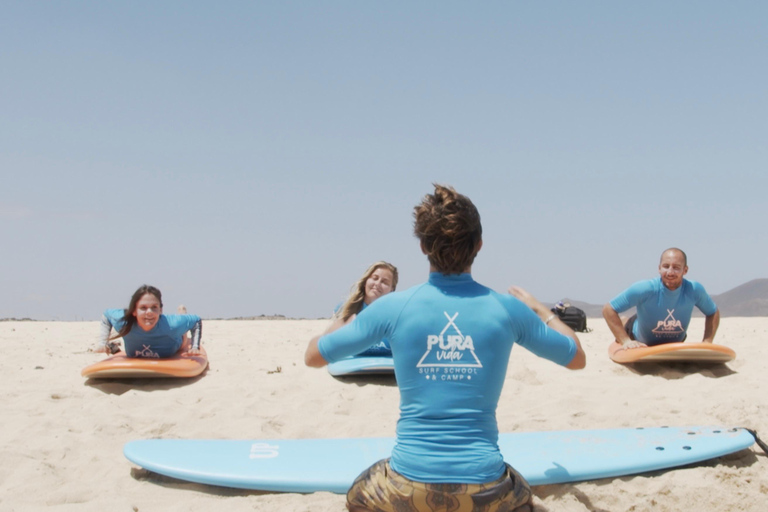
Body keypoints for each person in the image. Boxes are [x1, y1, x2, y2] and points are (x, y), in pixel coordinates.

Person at [305, 184, 586, 512]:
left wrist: (343, 320)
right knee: (521, 490)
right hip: (485, 489)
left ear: (423, 246)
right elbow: (576, 357)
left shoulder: (393, 306)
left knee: (359, 493)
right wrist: (540, 309)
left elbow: (313, 356)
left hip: (407, 487)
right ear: (479, 244)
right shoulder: (508, 309)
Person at [602, 248, 720, 349]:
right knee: (628, 323)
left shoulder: (694, 289)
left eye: (676, 267)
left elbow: (713, 312)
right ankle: (625, 320)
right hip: (637, 335)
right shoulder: (645, 288)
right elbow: (608, 309)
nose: (670, 272)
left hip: (677, 340)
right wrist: (625, 341)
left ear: (685, 270)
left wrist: (707, 342)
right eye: (666, 266)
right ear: (659, 268)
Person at [92, 285, 203, 358]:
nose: (149, 312)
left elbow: (196, 320)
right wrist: (102, 343)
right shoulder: (123, 321)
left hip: (177, 341)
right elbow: (106, 315)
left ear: (161, 310)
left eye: (154, 307)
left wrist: (194, 347)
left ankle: (182, 313)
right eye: (143, 308)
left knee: (183, 335)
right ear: (134, 311)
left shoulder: (171, 325)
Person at [323, 261, 398, 356]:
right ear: (365, 281)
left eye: (384, 282)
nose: (377, 284)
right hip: (351, 369)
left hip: (388, 369)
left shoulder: (398, 315)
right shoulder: (345, 309)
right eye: (374, 278)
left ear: (392, 289)